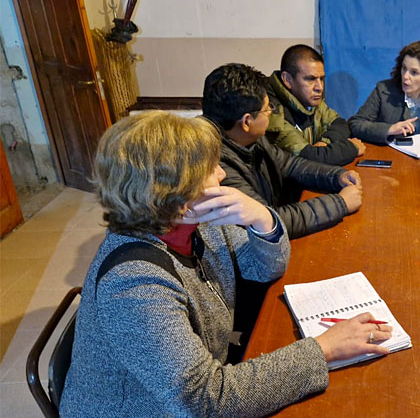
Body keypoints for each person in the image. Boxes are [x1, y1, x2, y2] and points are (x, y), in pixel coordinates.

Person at [59, 112, 392, 417]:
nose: (221, 173)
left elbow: (265, 269)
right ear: (173, 194)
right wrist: (324, 349)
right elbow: (207, 402)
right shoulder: (134, 284)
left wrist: (262, 219)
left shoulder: (196, 222)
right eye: (209, 169)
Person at [202, 63, 362, 240]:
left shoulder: (249, 138)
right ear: (247, 122)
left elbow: (290, 164)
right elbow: (269, 221)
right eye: (267, 108)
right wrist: (340, 203)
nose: (271, 111)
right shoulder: (215, 166)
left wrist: (336, 176)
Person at [266, 44, 365, 165]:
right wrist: (351, 148)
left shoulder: (309, 99)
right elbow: (307, 159)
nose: (319, 87)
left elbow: (339, 123)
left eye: (321, 79)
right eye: (310, 79)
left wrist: (325, 143)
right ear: (287, 79)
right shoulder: (271, 110)